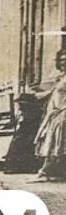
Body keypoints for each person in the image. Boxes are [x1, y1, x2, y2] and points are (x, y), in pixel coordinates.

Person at [31, 49, 66, 182]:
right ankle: (48, 172)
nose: (63, 63)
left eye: (65, 60)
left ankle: (43, 172)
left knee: (55, 142)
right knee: (52, 141)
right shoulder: (61, 77)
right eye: (61, 60)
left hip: (62, 112)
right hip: (54, 111)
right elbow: (54, 92)